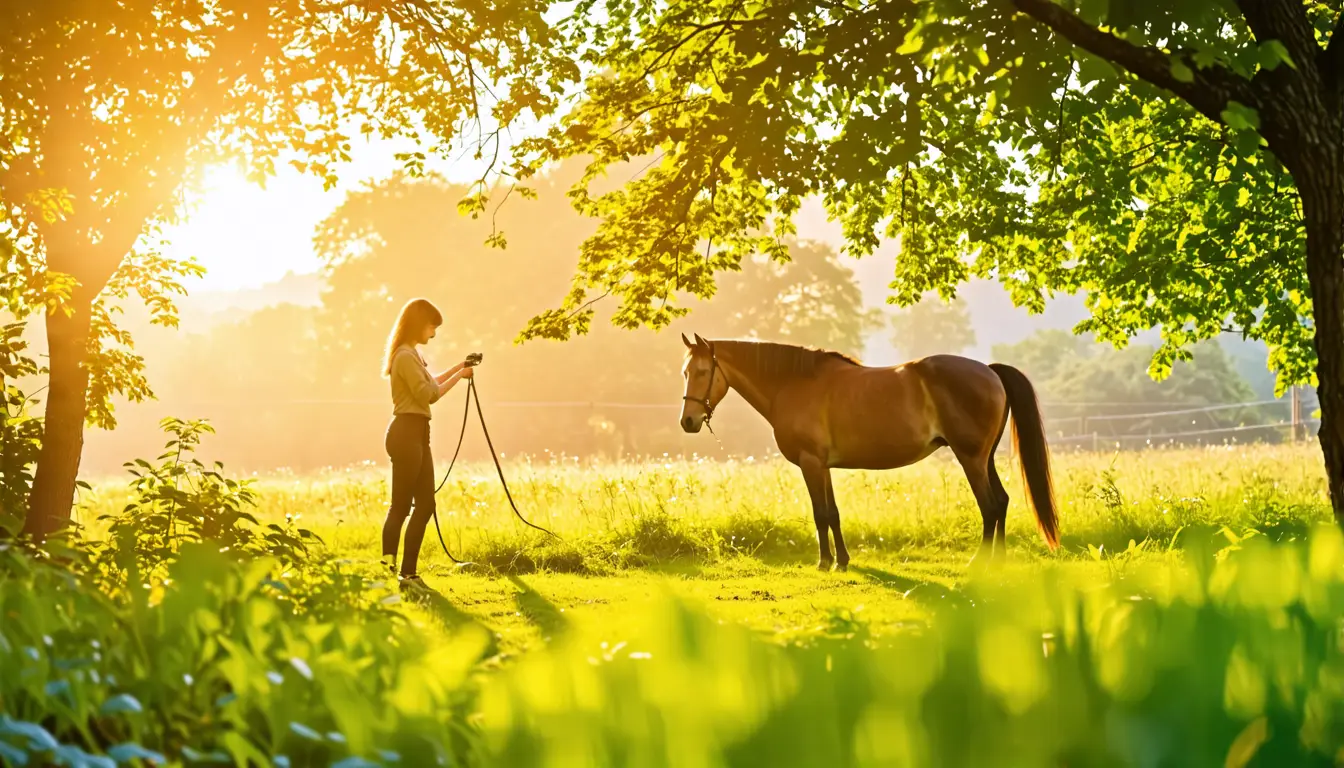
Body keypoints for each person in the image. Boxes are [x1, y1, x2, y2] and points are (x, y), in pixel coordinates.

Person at [379, 298, 475, 588]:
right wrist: (460, 376)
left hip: (418, 432)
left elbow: (430, 382)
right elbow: (428, 395)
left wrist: (460, 366)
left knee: (425, 504)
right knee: (400, 507)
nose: (433, 333)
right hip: (407, 433)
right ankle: (394, 573)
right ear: (419, 324)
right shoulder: (405, 357)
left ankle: (408, 573)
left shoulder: (413, 355)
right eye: (431, 326)